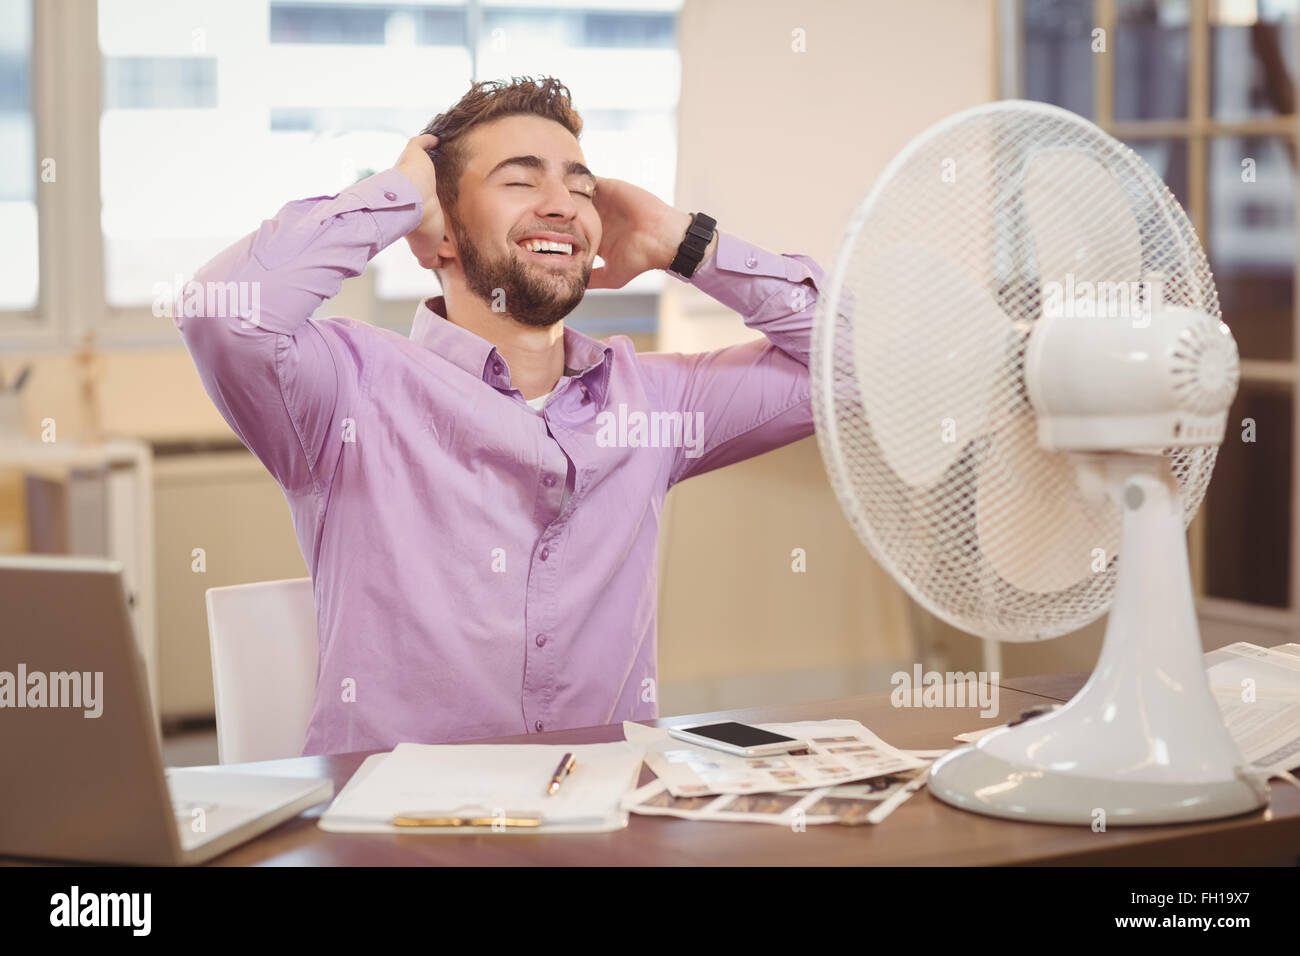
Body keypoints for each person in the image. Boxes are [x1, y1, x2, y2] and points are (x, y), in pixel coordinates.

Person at [176, 75, 825, 756]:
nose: (563, 206)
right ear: (440, 234)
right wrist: (397, 196)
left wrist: (684, 243)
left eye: (581, 187)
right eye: (521, 181)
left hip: (599, 826)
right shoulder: (347, 391)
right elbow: (225, 315)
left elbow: (860, 368)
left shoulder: (654, 405)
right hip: (396, 836)